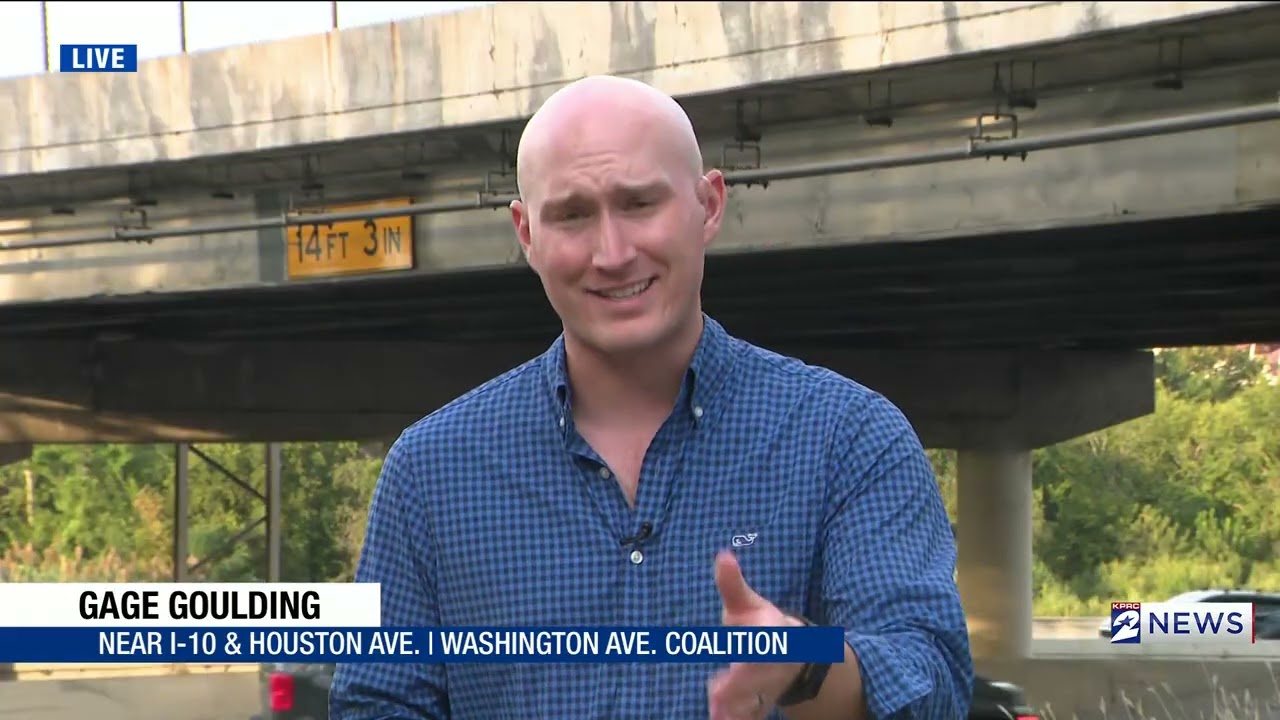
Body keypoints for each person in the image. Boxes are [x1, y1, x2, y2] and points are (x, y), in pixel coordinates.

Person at [329, 74, 973, 720]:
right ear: (526, 234)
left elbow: (929, 682)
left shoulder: (849, 439)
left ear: (708, 206)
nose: (612, 253)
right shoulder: (430, 472)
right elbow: (376, 704)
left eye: (639, 203)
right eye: (572, 214)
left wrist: (804, 664)